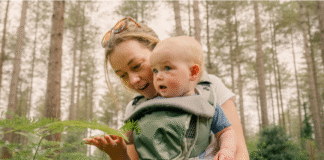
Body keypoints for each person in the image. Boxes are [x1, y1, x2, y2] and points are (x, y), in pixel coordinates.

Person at [83, 17, 249, 160]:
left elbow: (239, 152)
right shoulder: (135, 109)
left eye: (136, 66)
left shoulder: (208, 87)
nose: (133, 80)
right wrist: (117, 154)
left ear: (158, 49)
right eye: (122, 75)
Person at [147, 35, 236, 159]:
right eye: (155, 70)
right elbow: (135, 125)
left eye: (167, 68)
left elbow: (226, 131)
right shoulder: (154, 106)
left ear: (193, 72)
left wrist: (227, 150)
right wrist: (121, 135)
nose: (158, 76)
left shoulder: (207, 105)